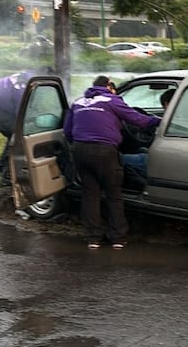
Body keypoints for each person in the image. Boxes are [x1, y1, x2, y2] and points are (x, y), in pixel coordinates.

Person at [63, 75, 161, 249]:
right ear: (109, 86)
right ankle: (117, 238)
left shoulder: (78, 102)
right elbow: (137, 119)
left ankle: (93, 238)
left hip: (80, 150)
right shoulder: (111, 100)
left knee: (90, 194)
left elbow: (68, 131)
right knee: (113, 193)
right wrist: (159, 121)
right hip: (105, 151)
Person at [0, 68, 41, 186]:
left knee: (14, 135)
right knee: (19, 137)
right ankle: (7, 177)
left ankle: (0, 167)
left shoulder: (27, 77)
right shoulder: (25, 85)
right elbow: (21, 112)